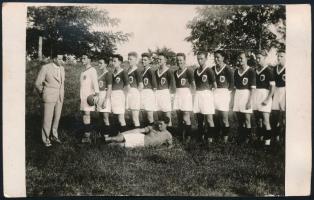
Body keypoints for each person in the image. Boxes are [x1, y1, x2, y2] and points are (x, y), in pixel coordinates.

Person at [35, 54, 65, 147]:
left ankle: (54, 136)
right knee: (47, 119)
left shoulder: (62, 69)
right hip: (49, 96)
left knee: (57, 118)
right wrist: (43, 93)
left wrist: (61, 94)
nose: (61, 61)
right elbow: (37, 83)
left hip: (59, 97)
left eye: (62, 59)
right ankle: (46, 139)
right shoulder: (45, 67)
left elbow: (62, 83)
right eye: (59, 59)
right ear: (54, 59)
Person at [193, 51, 217, 145]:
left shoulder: (209, 70)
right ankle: (201, 136)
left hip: (207, 95)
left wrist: (209, 95)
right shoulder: (196, 71)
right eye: (198, 58)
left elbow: (215, 85)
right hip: (198, 95)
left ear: (206, 59)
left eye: (201, 58)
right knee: (199, 118)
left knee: (209, 119)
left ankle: (210, 138)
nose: (199, 60)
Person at [104, 116, 173, 148]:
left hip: (142, 144)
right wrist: (124, 133)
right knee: (117, 138)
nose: (159, 126)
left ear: (166, 124)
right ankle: (104, 140)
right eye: (159, 124)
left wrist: (162, 149)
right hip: (140, 137)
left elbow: (170, 145)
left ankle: (104, 146)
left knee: (119, 145)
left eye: (161, 124)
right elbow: (138, 130)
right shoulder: (153, 127)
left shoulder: (168, 135)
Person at [253, 50, 275, 146]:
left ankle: (268, 141)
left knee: (265, 120)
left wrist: (267, 99)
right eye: (256, 58)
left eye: (259, 58)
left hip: (265, 95)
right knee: (258, 120)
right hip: (256, 95)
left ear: (265, 58)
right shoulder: (254, 70)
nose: (257, 60)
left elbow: (272, 88)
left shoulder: (269, 71)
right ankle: (260, 138)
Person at [233, 51, 256, 144]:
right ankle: (241, 136)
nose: (240, 60)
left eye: (241, 58)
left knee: (247, 119)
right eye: (239, 58)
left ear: (247, 59)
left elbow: (253, 89)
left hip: (246, 95)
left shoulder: (251, 71)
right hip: (238, 94)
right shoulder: (236, 71)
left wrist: (249, 101)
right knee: (239, 118)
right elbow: (235, 87)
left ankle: (248, 138)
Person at [173, 53, 195, 144]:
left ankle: (188, 136)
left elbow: (193, 84)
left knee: (186, 116)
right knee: (179, 116)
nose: (179, 62)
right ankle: (181, 135)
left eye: (181, 60)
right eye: (177, 60)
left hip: (186, 94)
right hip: (178, 94)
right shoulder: (175, 72)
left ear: (184, 61)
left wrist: (193, 96)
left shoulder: (189, 71)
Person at [213, 50, 234, 143]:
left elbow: (232, 84)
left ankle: (225, 137)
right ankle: (216, 135)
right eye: (215, 57)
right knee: (216, 116)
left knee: (224, 117)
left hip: (224, 93)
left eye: (218, 57)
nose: (216, 59)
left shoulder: (228, 69)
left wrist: (227, 94)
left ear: (223, 58)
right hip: (214, 93)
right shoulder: (212, 69)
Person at [80, 55, 99, 143]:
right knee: (84, 114)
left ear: (89, 60)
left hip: (89, 97)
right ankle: (86, 133)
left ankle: (87, 136)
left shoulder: (92, 70)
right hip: (83, 96)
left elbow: (95, 83)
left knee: (87, 114)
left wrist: (96, 95)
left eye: (84, 58)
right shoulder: (83, 71)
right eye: (82, 58)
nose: (82, 60)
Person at [111, 54, 130, 134]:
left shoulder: (123, 72)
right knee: (114, 116)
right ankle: (116, 134)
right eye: (112, 61)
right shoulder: (112, 73)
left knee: (120, 117)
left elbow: (128, 87)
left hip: (120, 95)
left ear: (120, 62)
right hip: (113, 95)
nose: (112, 63)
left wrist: (124, 98)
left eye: (115, 61)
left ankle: (125, 136)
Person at [155, 53, 176, 126]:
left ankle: (169, 133)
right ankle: (161, 133)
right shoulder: (156, 71)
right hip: (157, 93)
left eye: (160, 59)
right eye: (158, 59)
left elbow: (172, 84)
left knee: (167, 114)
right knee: (159, 113)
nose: (158, 61)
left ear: (165, 61)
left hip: (165, 93)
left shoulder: (169, 71)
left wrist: (172, 95)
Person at [271, 49, 286, 143]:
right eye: (278, 56)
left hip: (285, 91)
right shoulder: (274, 68)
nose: (279, 58)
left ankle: (284, 138)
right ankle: (276, 137)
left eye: (282, 56)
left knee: (284, 117)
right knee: (275, 115)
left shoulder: (289, 68)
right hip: (276, 91)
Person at [126, 52, 143, 128]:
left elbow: (141, 85)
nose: (129, 61)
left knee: (135, 117)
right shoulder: (128, 70)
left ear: (136, 60)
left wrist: (135, 94)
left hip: (134, 93)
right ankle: (133, 133)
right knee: (130, 116)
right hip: (128, 93)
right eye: (128, 59)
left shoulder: (137, 71)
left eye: (131, 59)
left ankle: (137, 135)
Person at [140, 53, 157, 126]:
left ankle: (152, 131)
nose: (143, 61)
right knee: (144, 113)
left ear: (149, 61)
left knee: (150, 114)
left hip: (149, 93)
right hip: (143, 92)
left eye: (145, 60)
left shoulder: (150, 71)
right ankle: (146, 130)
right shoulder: (142, 71)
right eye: (142, 60)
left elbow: (154, 85)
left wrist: (152, 96)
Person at [96, 58, 113, 136]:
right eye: (99, 63)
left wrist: (106, 100)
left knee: (105, 117)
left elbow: (109, 88)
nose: (99, 64)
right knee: (100, 117)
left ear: (105, 64)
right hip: (99, 95)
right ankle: (101, 134)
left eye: (101, 63)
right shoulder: (99, 74)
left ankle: (107, 136)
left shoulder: (108, 74)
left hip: (105, 95)